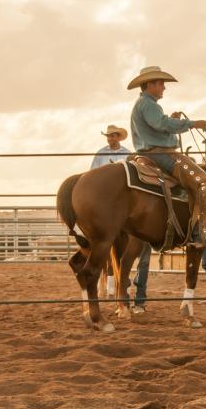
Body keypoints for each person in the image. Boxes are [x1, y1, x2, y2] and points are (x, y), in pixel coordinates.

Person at [128, 65, 206, 247]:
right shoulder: (148, 104)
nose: (164, 87)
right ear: (149, 84)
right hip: (162, 154)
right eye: (160, 84)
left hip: (150, 152)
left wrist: (172, 120)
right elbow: (161, 124)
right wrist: (192, 124)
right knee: (205, 182)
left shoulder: (144, 104)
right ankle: (205, 231)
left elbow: (159, 124)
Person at [89, 125, 151, 299]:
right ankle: (111, 285)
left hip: (122, 200)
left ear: (119, 137)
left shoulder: (127, 153)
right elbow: (92, 174)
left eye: (113, 136)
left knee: (124, 246)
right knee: (105, 241)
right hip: (105, 200)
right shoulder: (100, 154)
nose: (111, 138)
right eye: (109, 136)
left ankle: (118, 285)